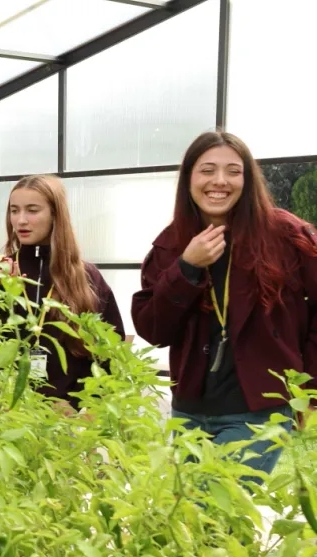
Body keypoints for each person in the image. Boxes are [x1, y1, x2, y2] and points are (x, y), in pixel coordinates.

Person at [133, 131, 317, 475]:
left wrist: (308, 389)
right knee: (191, 507)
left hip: (259, 409)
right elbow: (153, 329)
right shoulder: (172, 243)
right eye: (207, 170)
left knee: (214, 500)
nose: (220, 181)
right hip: (189, 411)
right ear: (188, 178)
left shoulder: (284, 235)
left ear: (247, 180)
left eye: (233, 171)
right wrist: (186, 268)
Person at [0, 174, 127, 410]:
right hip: (5, 406)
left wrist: (82, 404)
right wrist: (1, 291)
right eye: (14, 211)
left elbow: (110, 345)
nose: (21, 220)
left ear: (55, 214)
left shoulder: (85, 277)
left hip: (65, 413)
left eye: (32, 210)